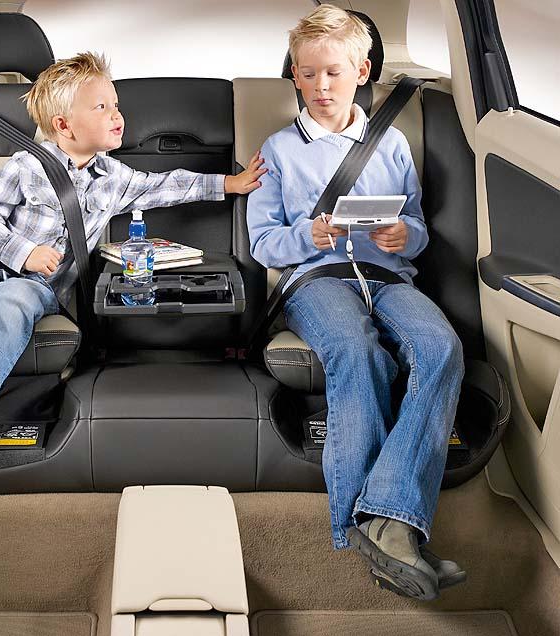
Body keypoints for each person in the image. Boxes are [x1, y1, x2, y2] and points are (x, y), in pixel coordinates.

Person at [0, 51, 266, 454]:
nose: (117, 115)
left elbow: (166, 186)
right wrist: (23, 251)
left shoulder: (114, 178)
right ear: (64, 126)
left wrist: (228, 183)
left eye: (115, 105)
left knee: (11, 304)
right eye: (101, 108)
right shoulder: (27, 165)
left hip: (38, 284)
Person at [247, 5, 465, 600]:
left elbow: (416, 223)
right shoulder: (278, 150)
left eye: (333, 73)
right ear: (294, 75)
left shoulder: (390, 144)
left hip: (388, 277)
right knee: (355, 349)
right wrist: (308, 236)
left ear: (361, 72)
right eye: (307, 74)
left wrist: (405, 236)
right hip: (317, 280)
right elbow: (263, 243)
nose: (320, 87)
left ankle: (386, 520)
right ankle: (375, 527)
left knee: (440, 347)